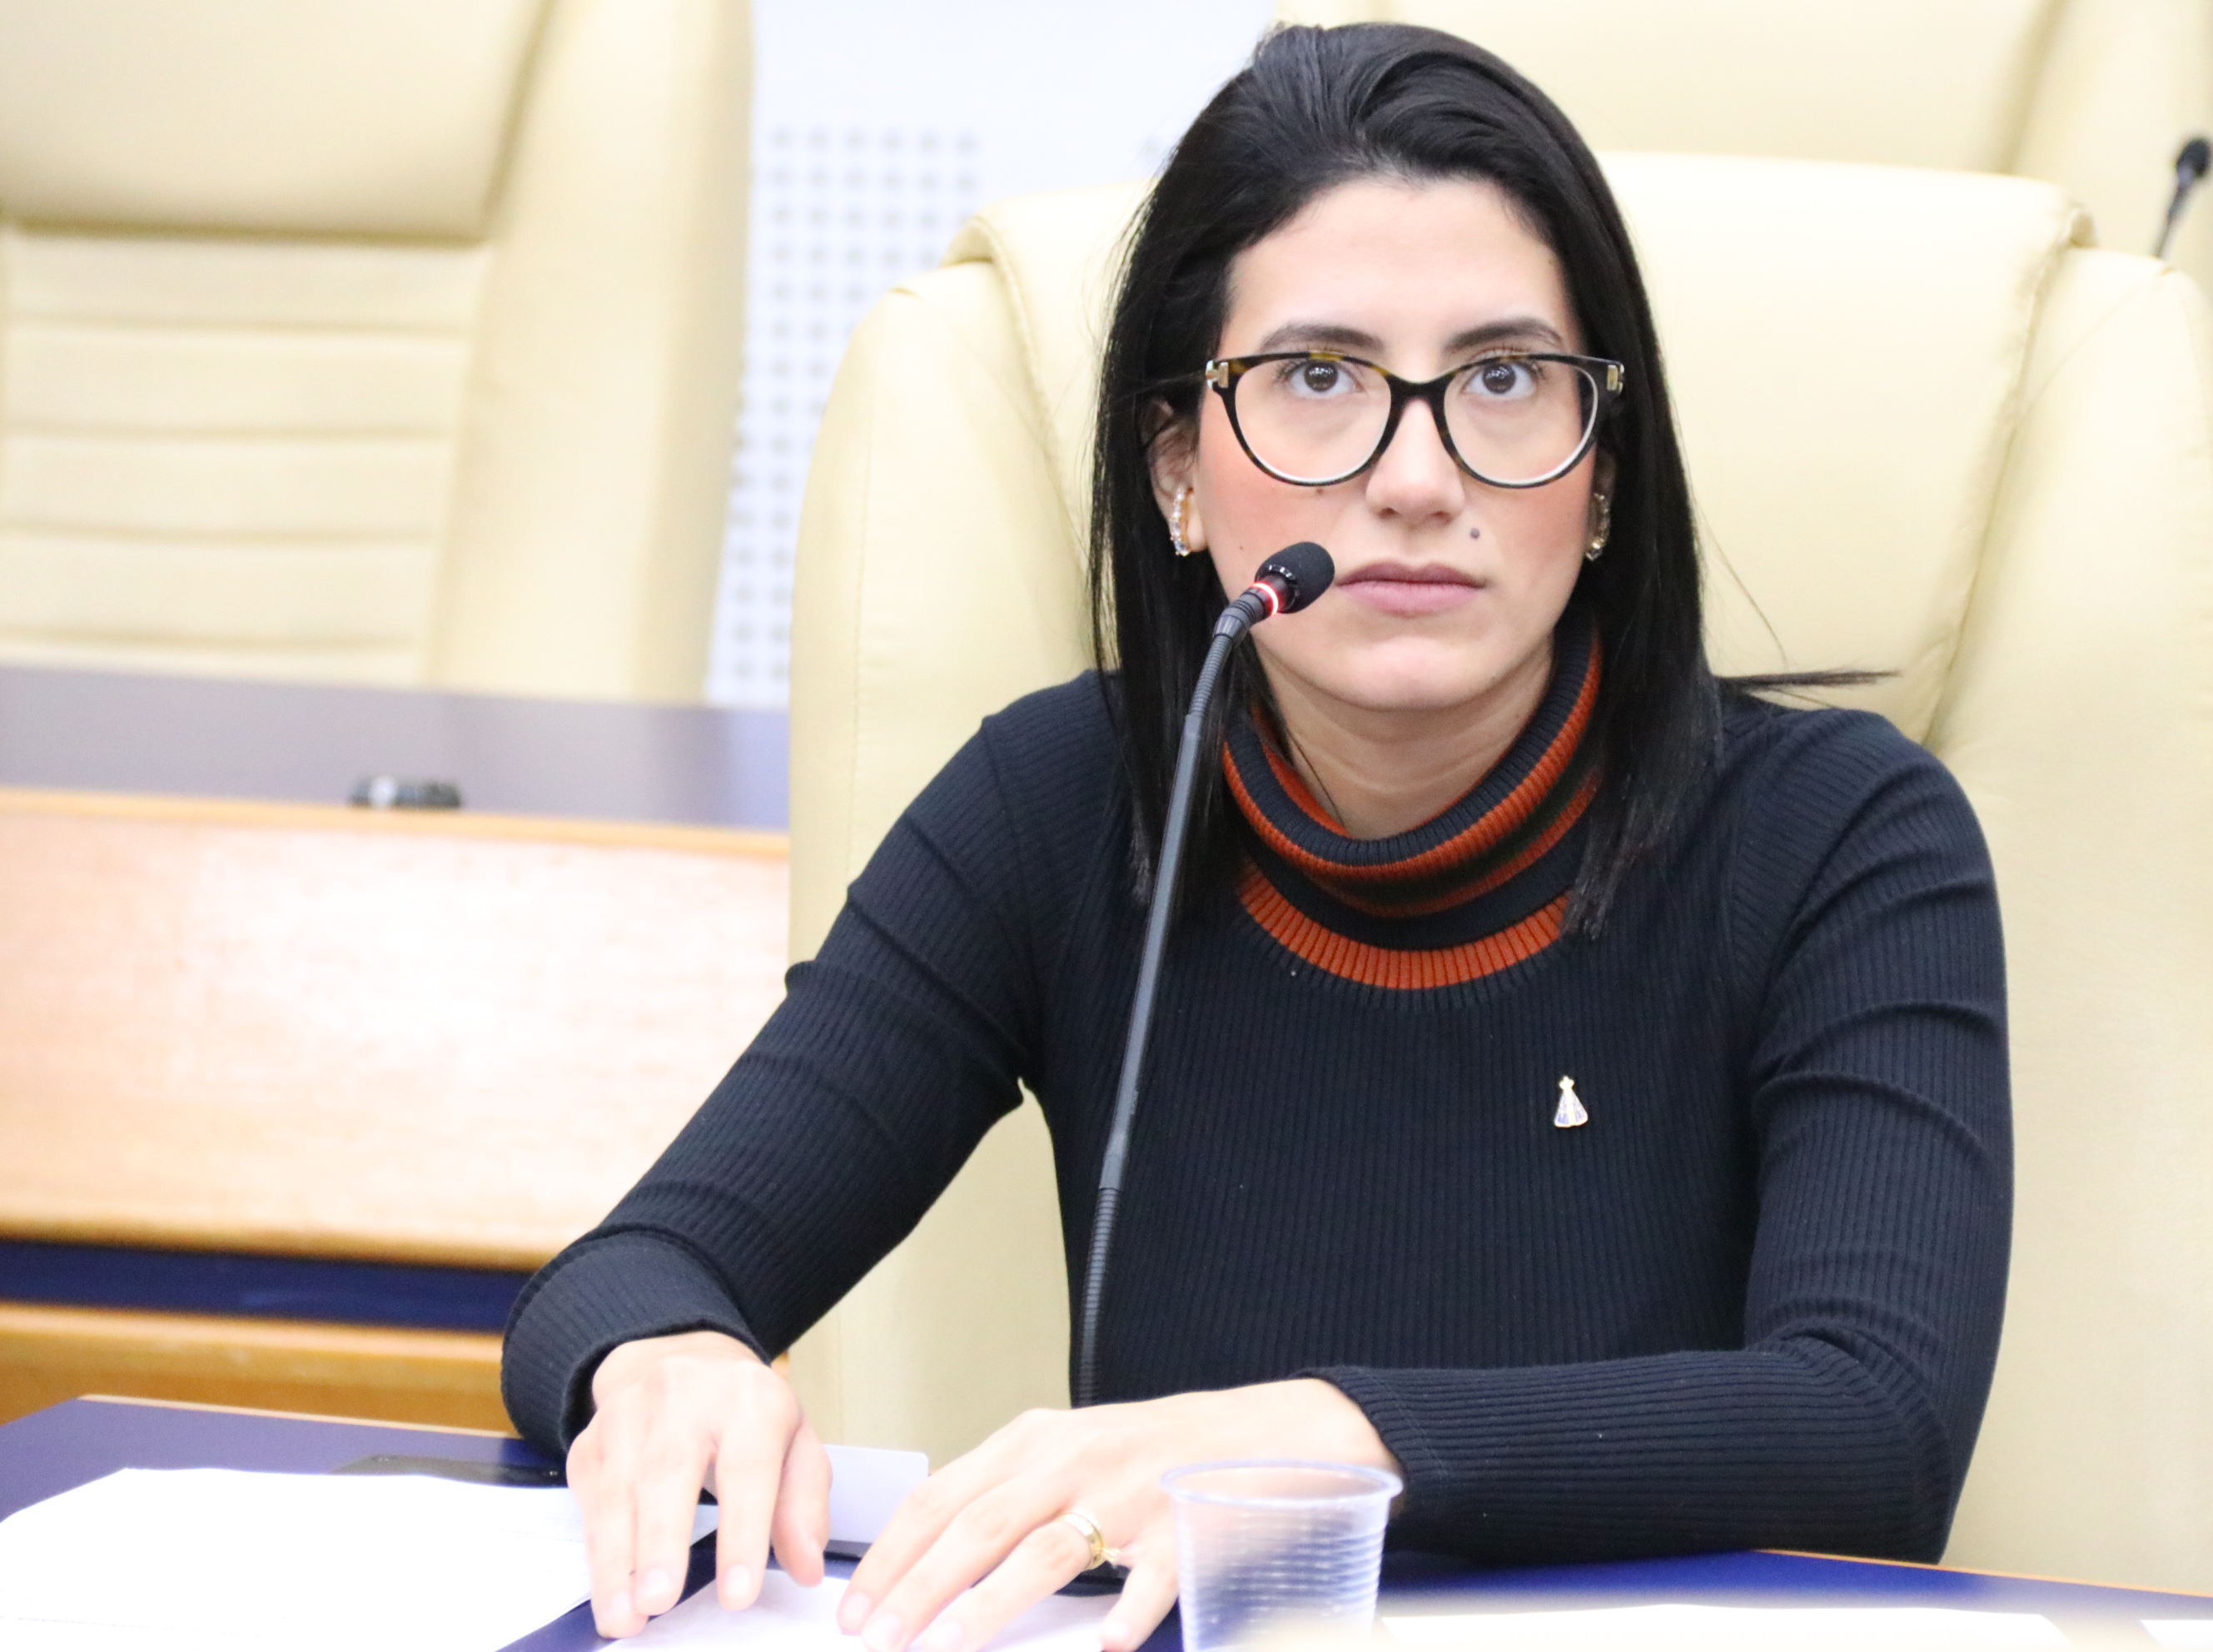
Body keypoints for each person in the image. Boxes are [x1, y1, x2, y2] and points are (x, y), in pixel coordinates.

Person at [500, 22, 2011, 1652]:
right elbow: (630, 1272)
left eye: (1504, 381)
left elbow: (1874, 1429)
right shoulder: (1060, 802)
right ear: (1178, 469)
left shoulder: (1841, 840)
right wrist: (661, 1357)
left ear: (1603, 475)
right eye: (1319, 379)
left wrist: (1322, 1442)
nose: (1415, 478)